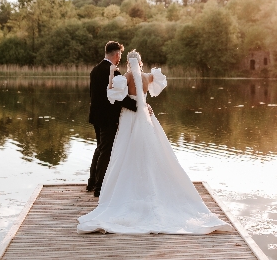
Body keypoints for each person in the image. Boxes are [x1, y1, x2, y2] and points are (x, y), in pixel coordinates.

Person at [78, 50, 233, 234]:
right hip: (145, 116)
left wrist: (112, 78)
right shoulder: (148, 76)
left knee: (126, 150)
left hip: (130, 117)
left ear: (129, 62)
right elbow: (158, 84)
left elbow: (113, 94)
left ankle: (127, 188)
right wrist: (144, 104)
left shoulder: (126, 77)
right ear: (141, 62)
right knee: (151, 150)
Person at [87, 41, 138, 197]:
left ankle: (92, 183)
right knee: (106, 151)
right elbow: (120, 98)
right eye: (120, 55)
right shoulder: (113, 72)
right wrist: (138, 106)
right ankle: (99, 187)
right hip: (107, 118)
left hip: (96, 116)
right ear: (116, 54)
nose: (120, 58)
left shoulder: (95, 70)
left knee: (99, 148)